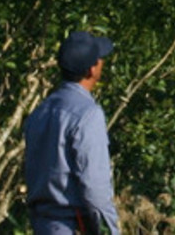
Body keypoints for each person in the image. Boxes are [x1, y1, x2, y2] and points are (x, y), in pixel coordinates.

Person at [24, 31, 120, 235]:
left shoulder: (40, 112)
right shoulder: (88, 114)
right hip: (73, 224)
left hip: (42, 224)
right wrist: (110, 230)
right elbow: (94, 188)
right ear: (91, 69)